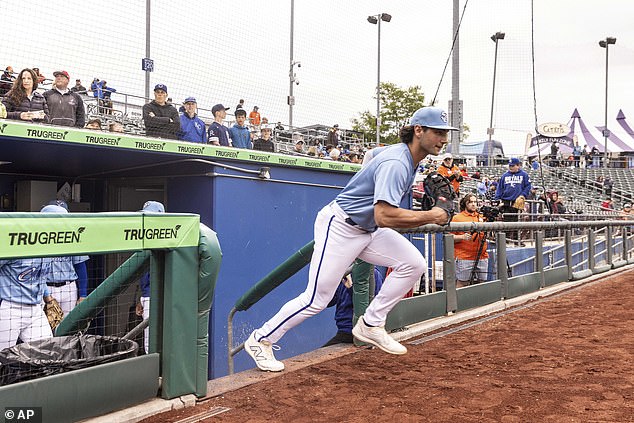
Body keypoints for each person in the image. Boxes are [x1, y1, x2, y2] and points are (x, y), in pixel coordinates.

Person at [243, 106, 457, 372]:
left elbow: (371, 155)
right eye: (438, 132)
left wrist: (365, 180)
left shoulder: (403, 156)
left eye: (445, 133)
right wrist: (431, 215)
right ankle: (260, 339)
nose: (444, 139)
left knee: (413, 264)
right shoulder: (397, 162)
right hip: (341, 226)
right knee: (316, 300)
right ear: (418, 130)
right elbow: (383, 216)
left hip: (365, 229)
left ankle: (370, 324)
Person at [0, 239, 57, 350]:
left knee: (48, 352)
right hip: (10, 308)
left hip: (36, 310)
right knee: (2, 357)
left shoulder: (48, 249)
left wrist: (48, 297)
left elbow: (40, 277)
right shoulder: (13, 246)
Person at [41, 203, 90, 317]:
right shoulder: (39, 238)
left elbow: (80, 266)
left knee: (68, 327)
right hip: (46, 287)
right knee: (45, 325)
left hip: (68, 287)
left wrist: (83, 294)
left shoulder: (71, 237)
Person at [323, 267, 384, 346]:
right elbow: (329, 302)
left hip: (357, 332)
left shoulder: (373, 274)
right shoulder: (343, 272)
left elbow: (373, 306)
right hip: (343, 331)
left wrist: (351, 287)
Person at [135, 201, 165, 354]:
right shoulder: (145, 240)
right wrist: (141, 299)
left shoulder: (166, 241)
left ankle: (160, 374)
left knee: (157, 338)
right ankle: (155, 375)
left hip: (162, 297)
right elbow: (146, 277)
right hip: (148, 296)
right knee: (149, 338)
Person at [452, 194, 488, 288]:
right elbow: (448, 237)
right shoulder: (457, 218)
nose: (473, 204)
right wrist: (462, 237)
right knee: (463, 283)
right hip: (464, 257)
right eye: (470, 202)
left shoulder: (481, 217)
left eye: (475, 202)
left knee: (482, 283)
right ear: (465, 204)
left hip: (482, 256)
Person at [495, 157, 532, 244]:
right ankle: (506, 240)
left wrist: (523, 195)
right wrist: (497, 199)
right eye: (510, 166)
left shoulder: (524, 175)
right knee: (507, 222)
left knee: (517, 222)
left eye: (513, 166)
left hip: (517, 202)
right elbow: (499, 188)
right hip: (506, 202)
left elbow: (528, 186)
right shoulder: (505, 175)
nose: (511, 167)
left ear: (518, 165)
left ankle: (516, 240)